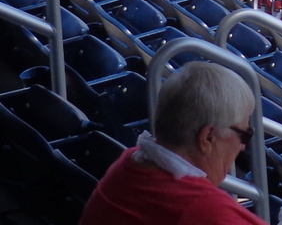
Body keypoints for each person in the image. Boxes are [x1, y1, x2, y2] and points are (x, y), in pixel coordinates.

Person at [77, 61, 261, 225]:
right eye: (244, 135)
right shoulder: (203, 210)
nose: (242, 146)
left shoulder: (130, 162)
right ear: (208, 137)